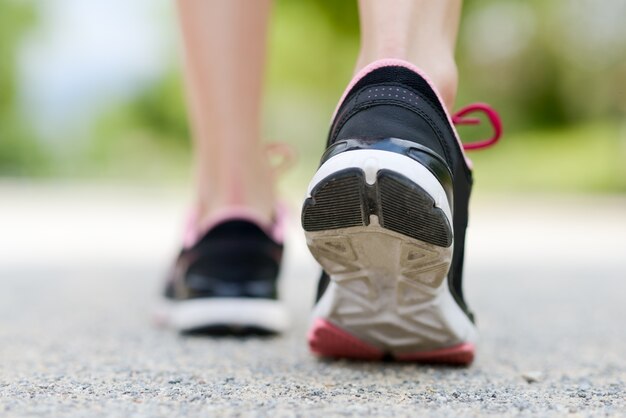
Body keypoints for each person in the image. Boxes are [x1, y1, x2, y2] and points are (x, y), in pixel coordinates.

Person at [158, 0, 502, 365]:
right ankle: (407, 103)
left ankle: (228, 212)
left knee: (229, 191)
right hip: (414, 119)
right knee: (405, 66)